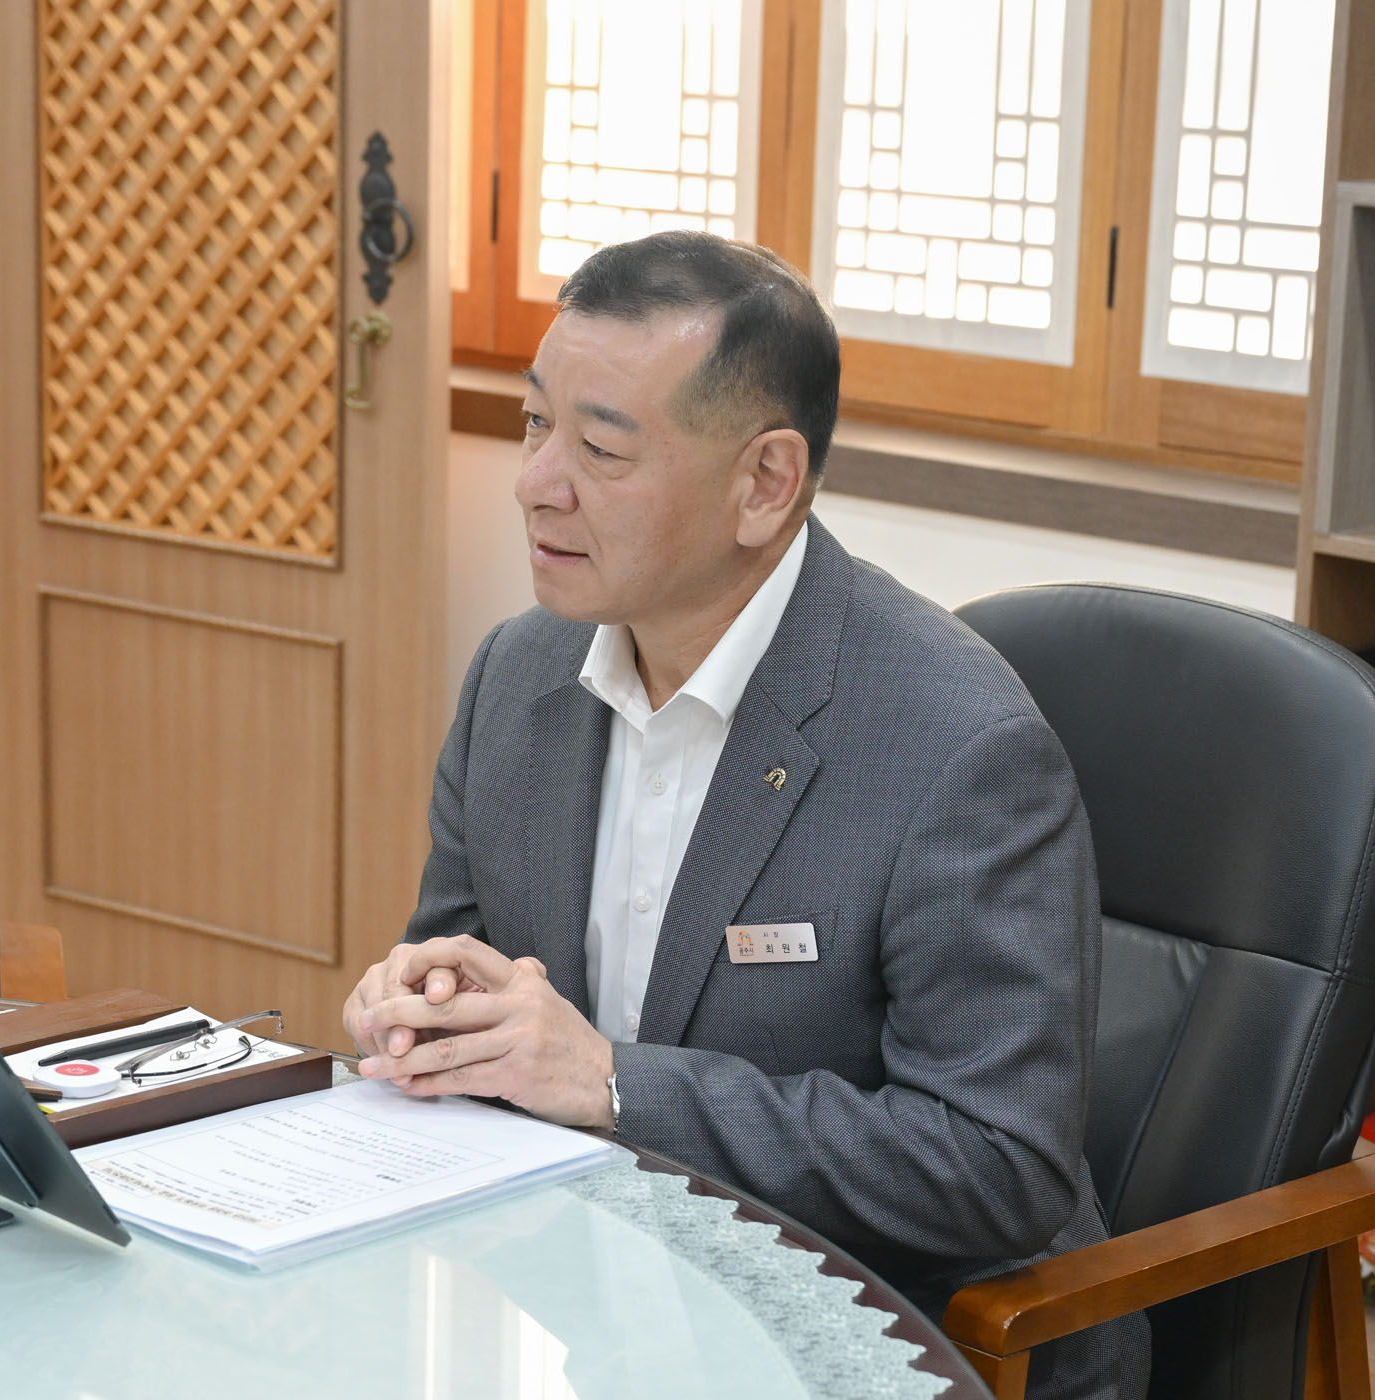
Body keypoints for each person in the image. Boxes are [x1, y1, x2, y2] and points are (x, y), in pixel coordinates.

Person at [342, 231, 1146, 1399]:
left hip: (897, 1344)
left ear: (764, 483)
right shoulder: (521, 677)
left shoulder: (959, 748)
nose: (535, 481)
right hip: (604, 1307)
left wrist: (614, 1083)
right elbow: (467, 963)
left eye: (600, 448)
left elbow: (995, 1164)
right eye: (533, 423)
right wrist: (426, 1010)